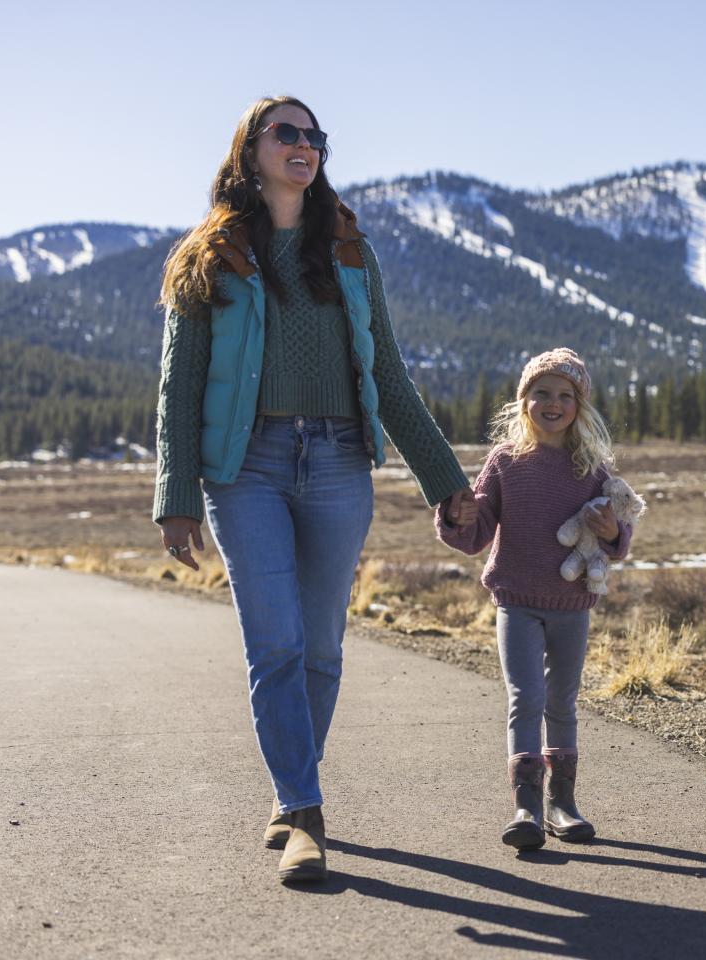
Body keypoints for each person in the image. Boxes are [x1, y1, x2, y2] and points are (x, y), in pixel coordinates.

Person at [152, 95, 473, 883]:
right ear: (249, 150)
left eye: (314, 137)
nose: (304, 145)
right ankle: (306, 814)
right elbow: (180, 384)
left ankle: (293, 790)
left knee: (324, 649)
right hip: (246, 467)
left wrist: (445, 481)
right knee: (278, 644)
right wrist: (176, 496)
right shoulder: (209, 254)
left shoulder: (350, 251)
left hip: (335, 462)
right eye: (286, 133)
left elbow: (387, 375)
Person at [435, 348, 633, 850]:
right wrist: (455, 516)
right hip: (516, 600)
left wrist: (612, 532)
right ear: (523, 401)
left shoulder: (592, 466)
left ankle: (562, 805)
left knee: (562, 701)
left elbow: (618, 537)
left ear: (579, 405)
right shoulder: (505, 462)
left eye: (564, 395)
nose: (552, 403)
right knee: (526, 698)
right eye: (541, 393)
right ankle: (525, 805)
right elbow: (476, 531)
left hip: (572, 604)